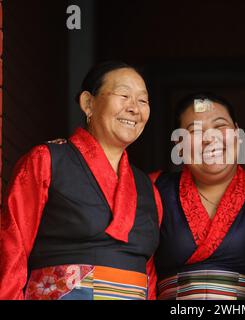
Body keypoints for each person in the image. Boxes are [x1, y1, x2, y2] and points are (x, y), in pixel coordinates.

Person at [0, 61, 161, 300]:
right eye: (124, 95)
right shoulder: (47, 160)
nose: (134, 108)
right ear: (89, 103)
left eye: (143, 100)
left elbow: (150, 273)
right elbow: (11, 247)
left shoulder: (147, 187)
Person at [150, 92, 245, 300]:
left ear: (238, 135)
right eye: (194, 131)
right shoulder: (154, 188)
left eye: (220, 126)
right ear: (178, 145)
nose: (209, 138)